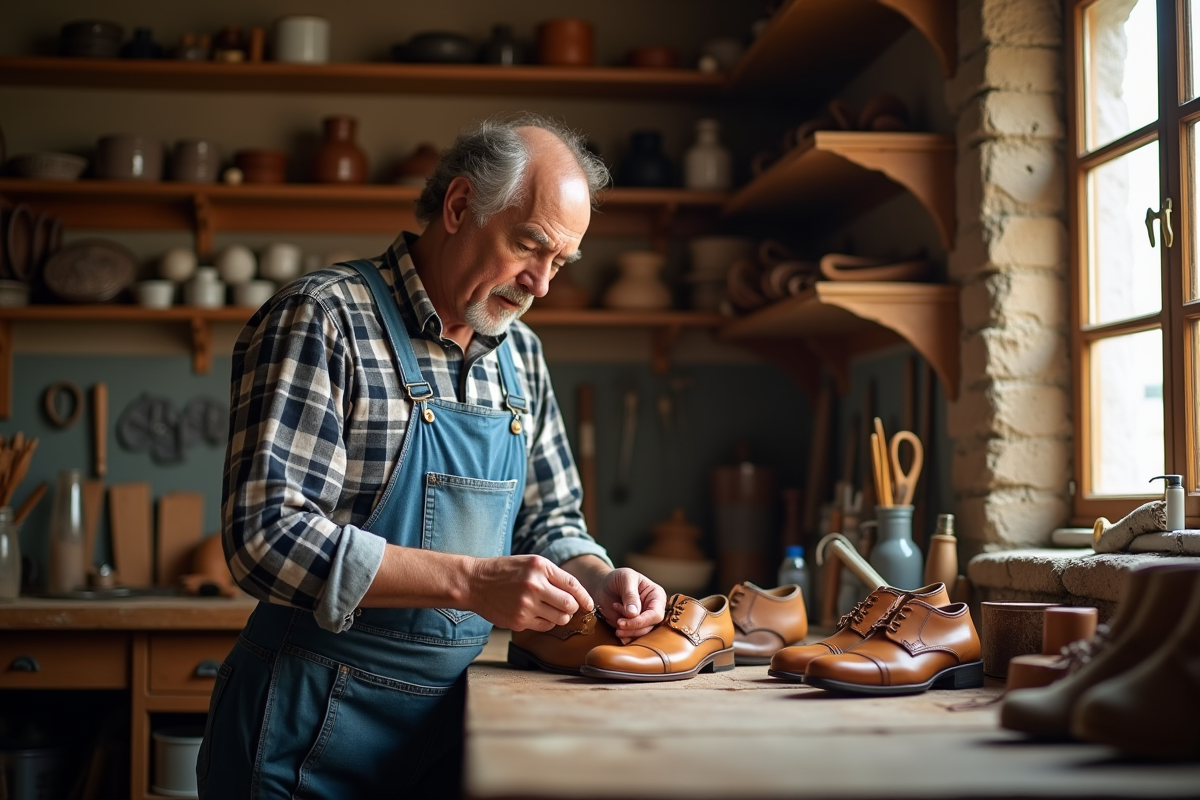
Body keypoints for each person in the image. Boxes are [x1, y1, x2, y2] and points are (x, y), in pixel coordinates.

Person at [198, 114, 667, 800]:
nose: (540, 284)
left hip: (452, 724)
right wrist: (474, 584)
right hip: (303, 728)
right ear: (458, 206)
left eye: (558, 263)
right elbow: (265, 538)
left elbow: (550, 521)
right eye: (529, 245)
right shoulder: (324, 318)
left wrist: (597, 578)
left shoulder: (522, 355)